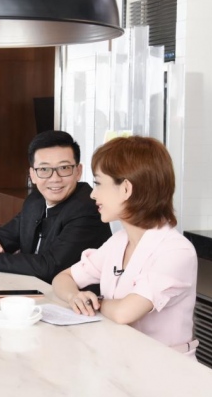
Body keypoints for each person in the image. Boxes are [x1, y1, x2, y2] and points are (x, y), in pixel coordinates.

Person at [52, 136, 198, 356]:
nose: (92, 194)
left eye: (98, 183)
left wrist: (94, 301)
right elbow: (63, 278)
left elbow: (124, 312)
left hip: (164, 367)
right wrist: (75, 297)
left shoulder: (176, 251)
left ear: (126, 189)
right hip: (121, 359)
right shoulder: (118, 242)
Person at [0, 130, 111, 283]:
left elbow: (51, 266)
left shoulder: (87, 208)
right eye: (44, 169)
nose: (55, 178)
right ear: (32, 175)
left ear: (78, 171)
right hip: (31, 290)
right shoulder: (36, 200)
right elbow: (5, 235)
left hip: (74, 298)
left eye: (64, 168)